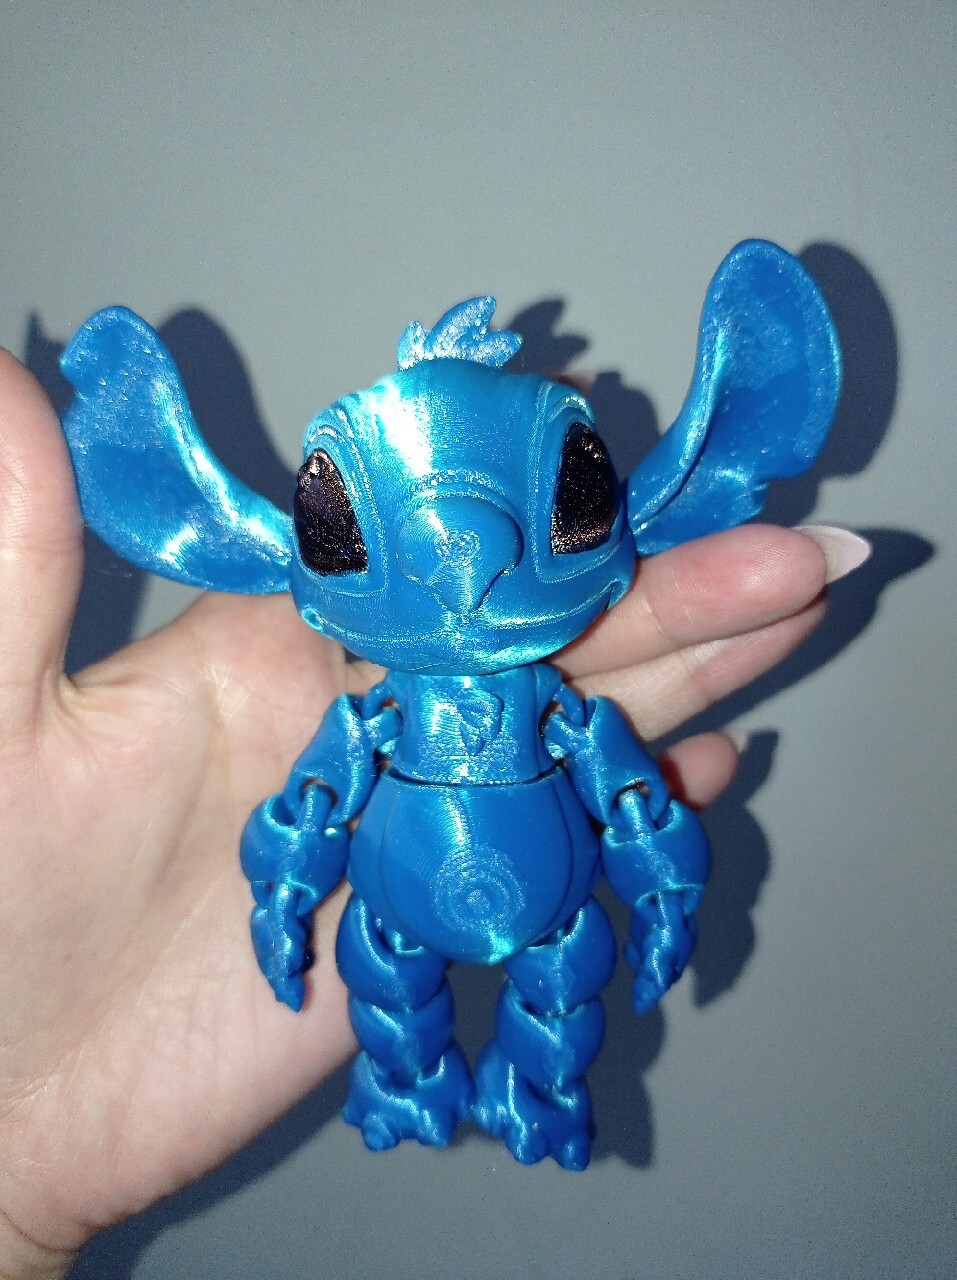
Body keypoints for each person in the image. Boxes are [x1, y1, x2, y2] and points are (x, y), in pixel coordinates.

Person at [0, 347, 869, 1280]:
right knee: (391, 988)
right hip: (399, 892)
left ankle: (536, 1097)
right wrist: (283, 897)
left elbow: (631, 798)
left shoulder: (555, 708)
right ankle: (406, 1087)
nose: (463, 560)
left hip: (544, 891)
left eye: (569, 497)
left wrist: (663, 893)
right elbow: (312, 801)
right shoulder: (377, 713)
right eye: (340, 522)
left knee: (557, 988)